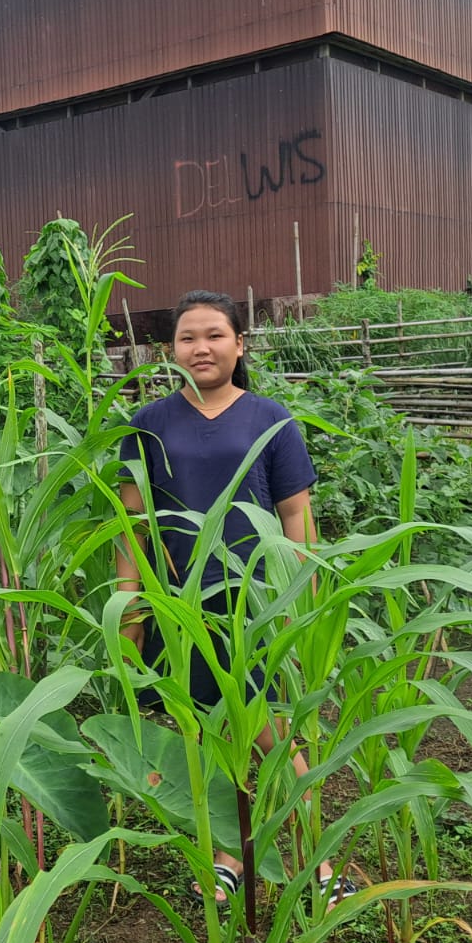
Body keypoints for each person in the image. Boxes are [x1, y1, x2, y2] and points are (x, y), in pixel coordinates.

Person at [115, 289, 348, 907]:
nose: (202, 348)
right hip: (180, 604)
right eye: (188, 337)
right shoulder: (148, 425)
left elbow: (297, 517)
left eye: (215, 335)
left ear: (239, 344)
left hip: (257, 603)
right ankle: (229, 855)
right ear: (171, 350)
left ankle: (320, 862)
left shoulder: (271, 420)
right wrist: (131, 608)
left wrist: (303, 597)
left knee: (273, 731)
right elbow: (132, 524)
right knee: (206, 731)